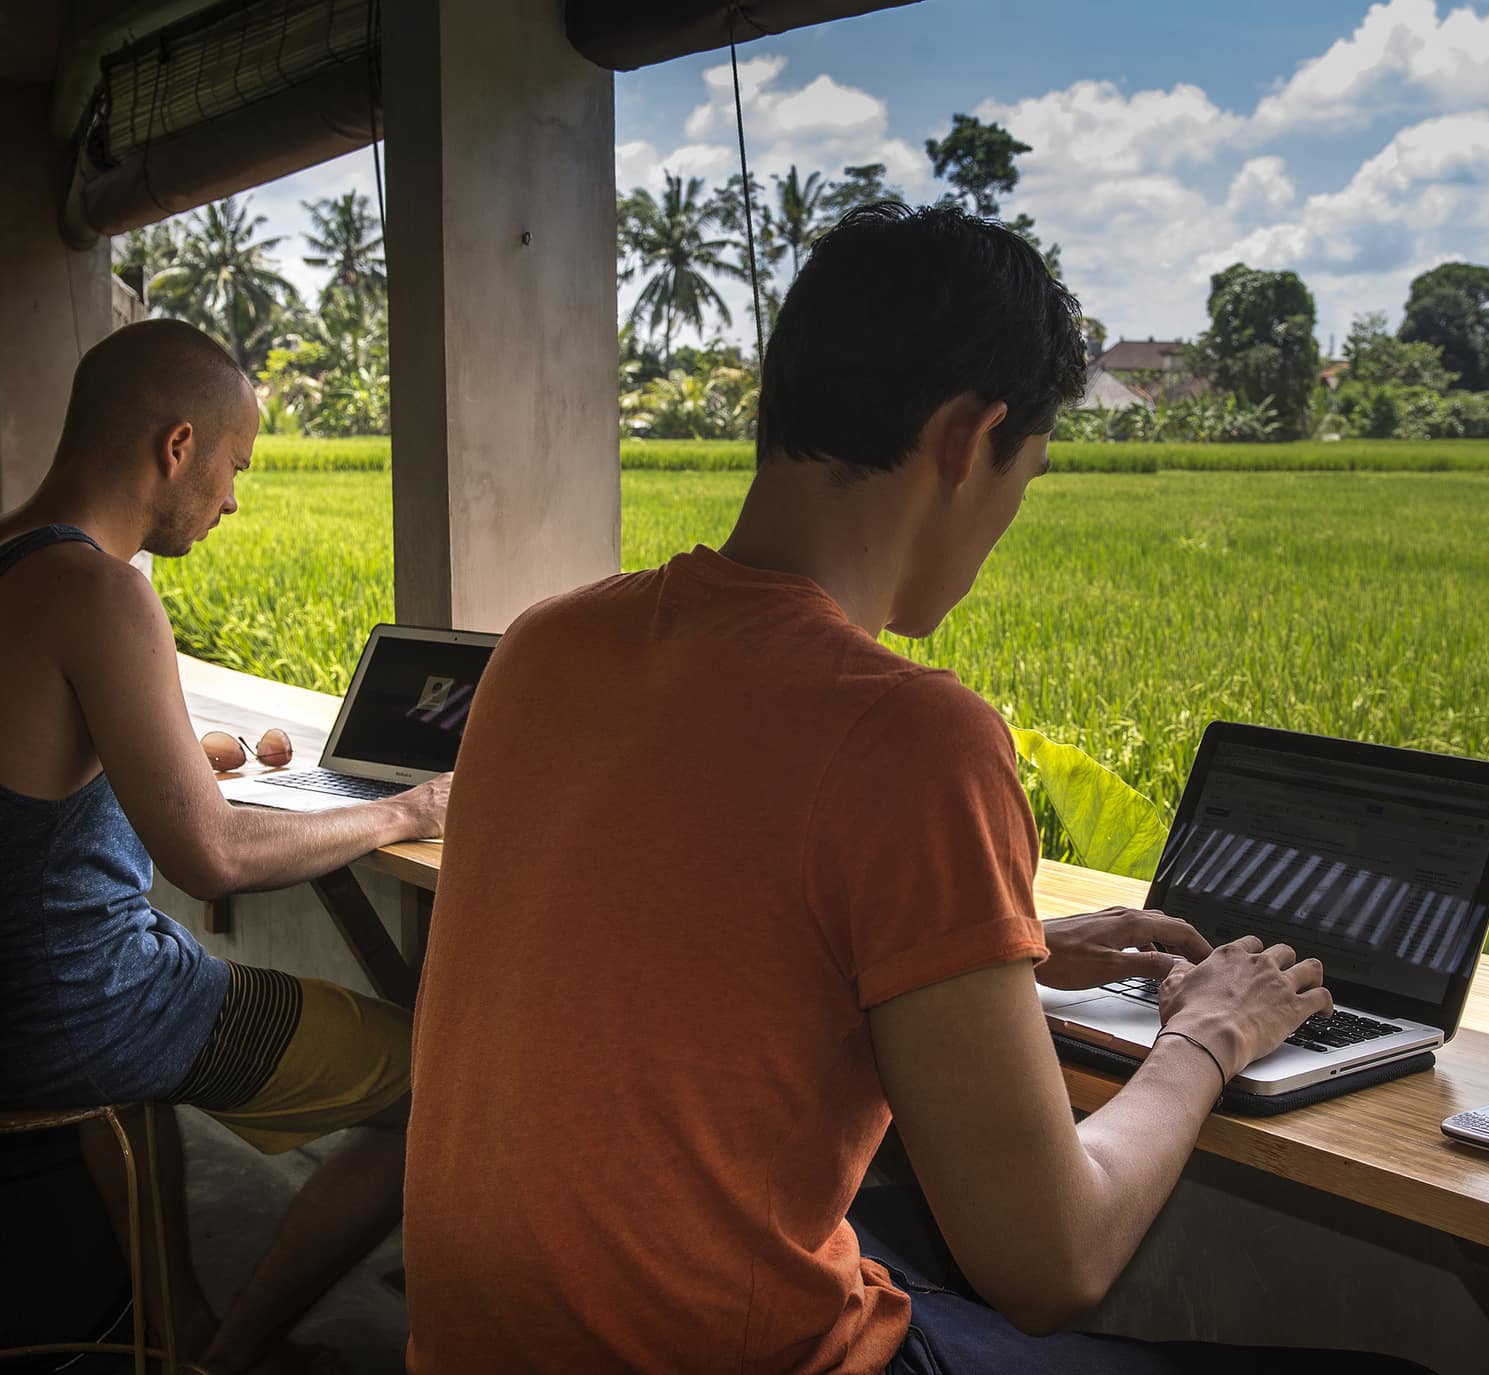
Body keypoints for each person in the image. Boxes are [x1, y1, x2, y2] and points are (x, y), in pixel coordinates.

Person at [403, 204, 1422, 1374]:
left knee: (903, 1235)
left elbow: (698, 924)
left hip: (476, 1345)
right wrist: (1210, 1030)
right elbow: (1057, 1261)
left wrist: (997, 949)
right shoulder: (909, 733)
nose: (1003, 522)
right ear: (966, 437)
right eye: (1022, 476)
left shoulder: (546, 645)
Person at [0, 319, 451, 1374]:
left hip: (5, 988)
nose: (234, 499)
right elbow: (215, 861)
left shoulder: (0, 557)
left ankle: (178, 1324)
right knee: (438, 1083)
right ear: (177, 446)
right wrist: (406, 811)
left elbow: (31, 750)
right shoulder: (102, 589)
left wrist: (191, 755)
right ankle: (233, 1356)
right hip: (84, 1007)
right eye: (235, 466)